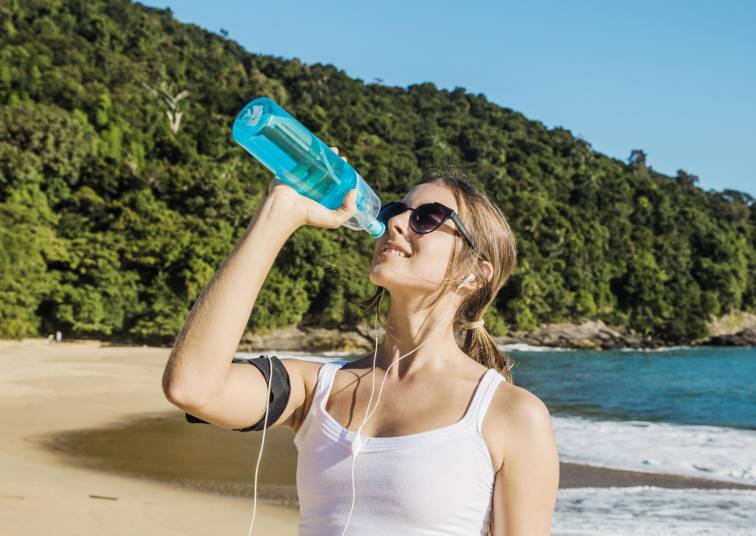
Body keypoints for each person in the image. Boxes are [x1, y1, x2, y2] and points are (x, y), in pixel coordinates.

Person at [163, 147, 559, 535]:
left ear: (474, 274)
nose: (396, 223)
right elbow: (192, 386)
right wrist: (279, 212)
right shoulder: (314, 389)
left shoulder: (510, 414)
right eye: (393, 212)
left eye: (428, 218)